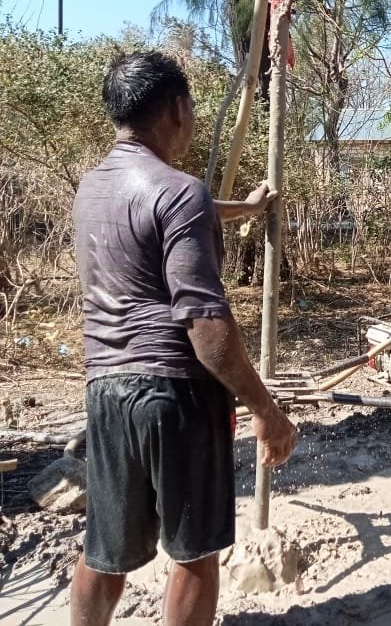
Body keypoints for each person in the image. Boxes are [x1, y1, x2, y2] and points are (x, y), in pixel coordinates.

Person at [69, 51, 298, 626]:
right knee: (195, 553)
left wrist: (241, 208)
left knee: (105, 552)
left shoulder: (91, 189)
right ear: (176, 107)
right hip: (176, 395)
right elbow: (204, 324)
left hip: (107, 392)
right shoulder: (179, 190)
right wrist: (265, 408)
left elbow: (166, 210)